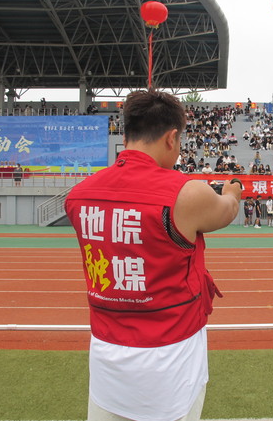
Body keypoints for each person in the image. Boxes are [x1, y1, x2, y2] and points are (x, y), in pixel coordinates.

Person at [64, 90, 242, 421]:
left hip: (105, 354)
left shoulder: (78, 196)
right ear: (171, 138)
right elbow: (226, 210)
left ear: (127, 135)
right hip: (172, 357)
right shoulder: (186, 193)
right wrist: (233, 190)